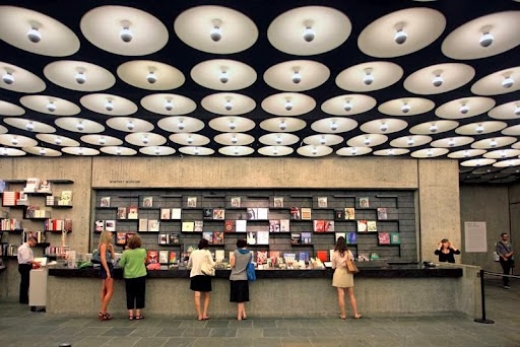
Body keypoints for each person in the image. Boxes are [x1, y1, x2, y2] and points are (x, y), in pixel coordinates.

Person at [331, 236, 361, 320]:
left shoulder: (335, 253)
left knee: (341, 295)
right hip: (348, 273)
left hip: (339, 273)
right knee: (351, 295)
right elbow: (351, 262)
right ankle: (356, 313)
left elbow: (333, 266)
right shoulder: (349, 252)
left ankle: (343, 314)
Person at [119, 235, 147, 320]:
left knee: (130, 295)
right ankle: (138, 314)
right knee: (140, 295)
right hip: (140, 275)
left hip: (129, 276)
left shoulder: (126, 252)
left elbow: (121, 264)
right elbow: (144, 261)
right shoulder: (142, 251)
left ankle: (131, 314)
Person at [187, 238, 215, 320]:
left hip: (195, 275)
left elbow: (189, 265)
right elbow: (212, 264)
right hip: (205, 274)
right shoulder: (207, 252)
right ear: (206, 245)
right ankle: (204, 314)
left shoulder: (193, 252)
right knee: (206, 296)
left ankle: (199, 315)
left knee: (197, 296)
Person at [229, 239, 251, 321]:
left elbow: (232, 264)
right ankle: (244, 314)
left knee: (239, 299)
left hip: (234, 277)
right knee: (241, 297)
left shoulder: (235, 252)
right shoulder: (249, 254)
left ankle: (239, 316)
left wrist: (231, 261)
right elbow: (248, 265)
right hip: (244, 277)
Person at [17, 236, 40, 304]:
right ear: (31, 241)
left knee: (26, 283)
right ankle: (23, 299)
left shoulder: (27, 248)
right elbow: (27, 259)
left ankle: (24, 298)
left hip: (26, 266)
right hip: (25, 267)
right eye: (34, 243)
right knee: (25, 283)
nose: (34, 245)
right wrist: (36, 263)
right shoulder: (24, 248)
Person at [98, 230, 115, 321]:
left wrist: (112, 249)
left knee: (104, 290)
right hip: (107, 267)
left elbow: (113, 257)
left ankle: (104, 310)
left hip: (106, 267)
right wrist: (107, 271)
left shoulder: (107, 245)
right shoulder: (104, 245)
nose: (111, 236)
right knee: (110, 290)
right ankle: (102, 311)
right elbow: (103, 258)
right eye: (110, 235)